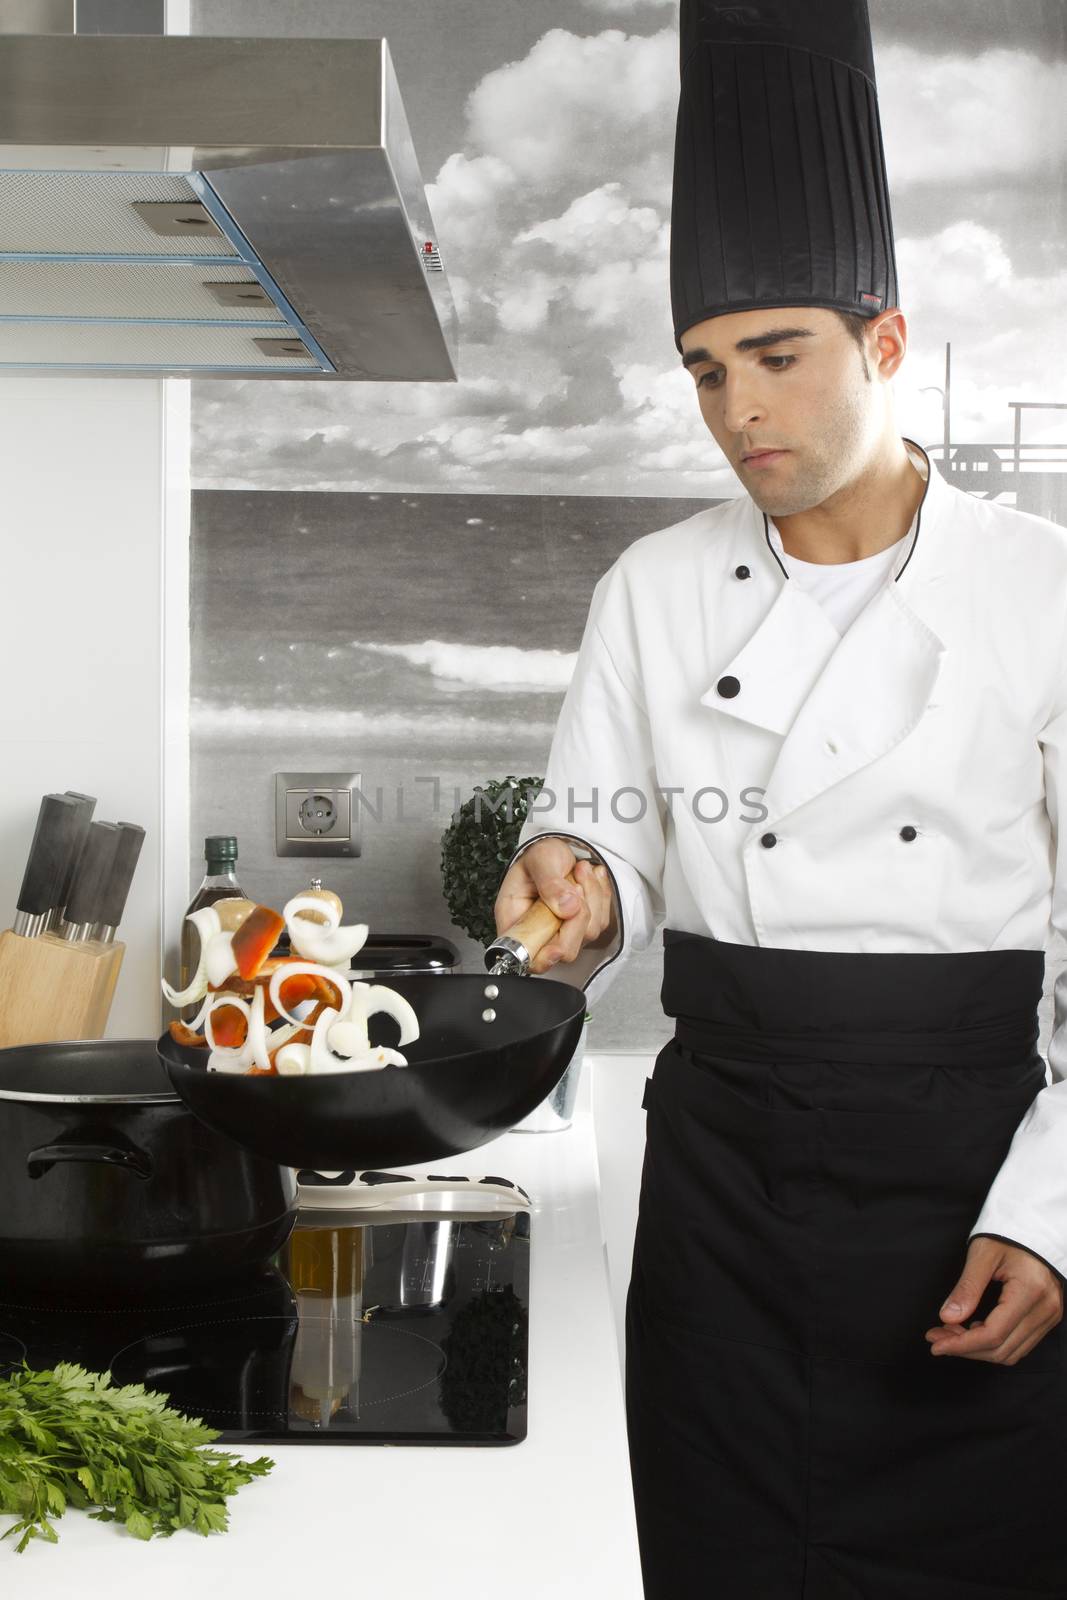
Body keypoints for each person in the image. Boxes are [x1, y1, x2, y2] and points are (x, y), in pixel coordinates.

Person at [492, 3, 1067, 1596]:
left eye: (777, 355)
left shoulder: (1044, 594)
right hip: (726, 1182)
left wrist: (1057, 1217)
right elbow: (594, 832)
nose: (738, 408)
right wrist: (579, 881)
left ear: (883, 344)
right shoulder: (653, 587)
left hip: (968, 1175)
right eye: (703, 368)